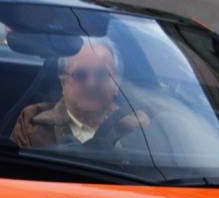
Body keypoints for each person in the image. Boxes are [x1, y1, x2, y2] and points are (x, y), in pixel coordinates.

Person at [10, 38, 147, 148]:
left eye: (101, 75)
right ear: (63, 83)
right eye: (81, 75)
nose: (91, 84)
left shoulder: (141, 127)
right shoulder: (32, 125)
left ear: (116, 85)